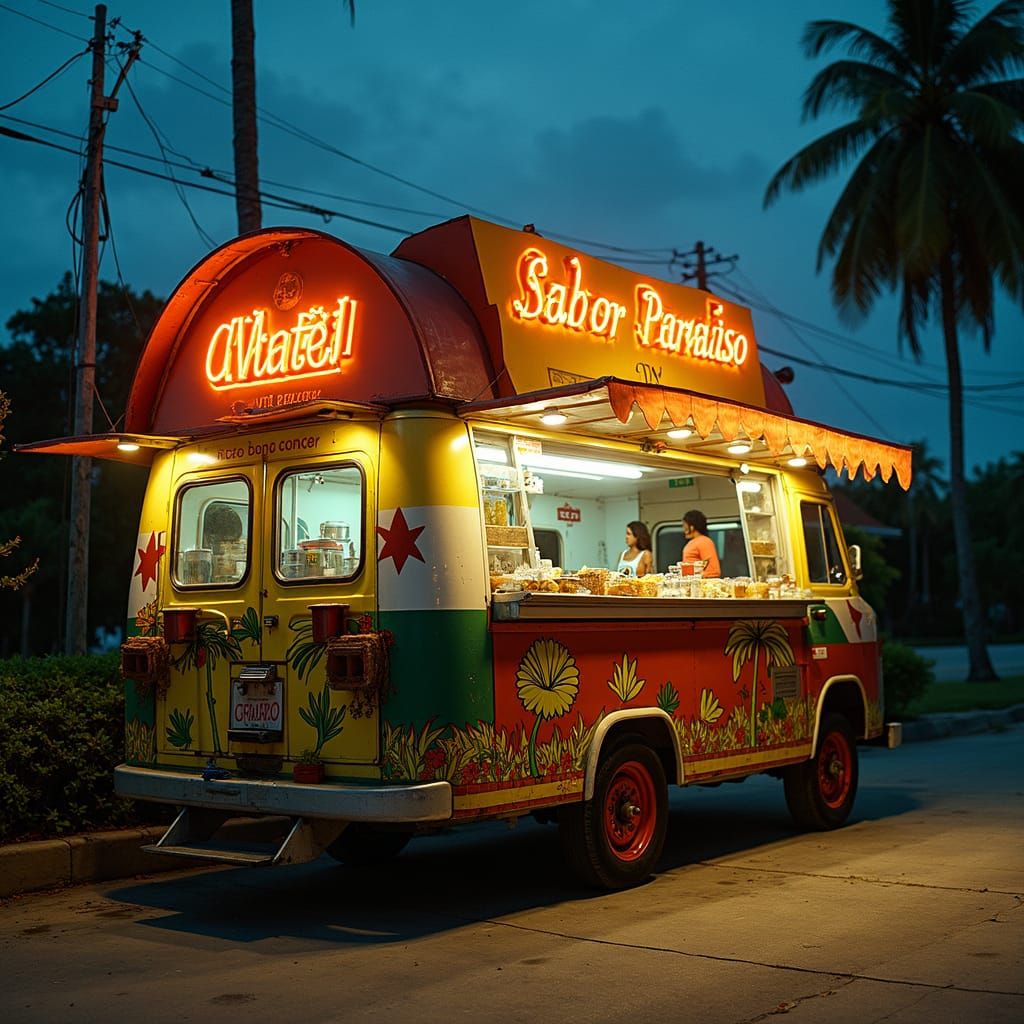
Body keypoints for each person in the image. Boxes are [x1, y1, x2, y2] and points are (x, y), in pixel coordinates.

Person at [682, 509, 721, 578]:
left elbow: (714, 571)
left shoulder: (704, 542)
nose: (683, 529)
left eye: (685, 526)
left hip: (699, 583)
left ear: (692, 527)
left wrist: (695, 577)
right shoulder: (692, 543)